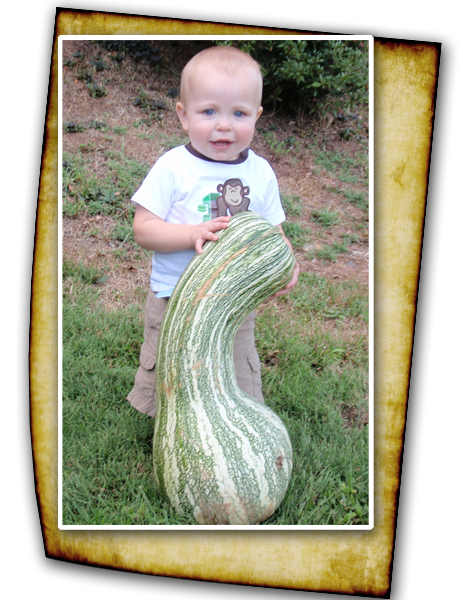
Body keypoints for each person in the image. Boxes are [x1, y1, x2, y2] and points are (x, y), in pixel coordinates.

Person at [127, 45, 300, 417]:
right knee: (171, 376)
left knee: (235, 371)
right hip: (174, 298)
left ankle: (233, 422)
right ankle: (173, 426)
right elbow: (143, 229)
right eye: (209, 112)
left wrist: (288, 262)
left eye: (238, 113)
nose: (224, 125)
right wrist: (192, 233)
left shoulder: (261, 172)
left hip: (233, 301)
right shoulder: (173, 168)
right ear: (183, 116)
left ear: (257, 116)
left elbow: (274, 233)